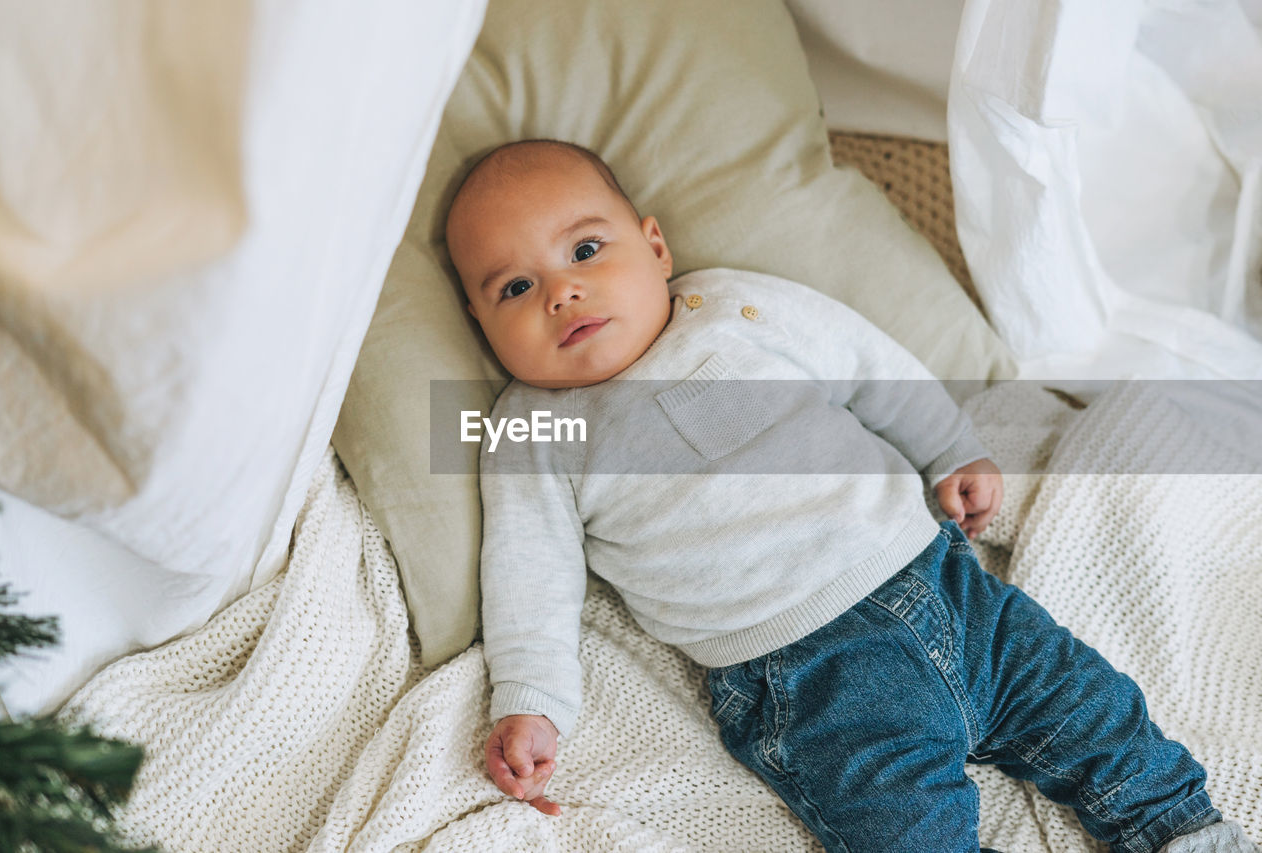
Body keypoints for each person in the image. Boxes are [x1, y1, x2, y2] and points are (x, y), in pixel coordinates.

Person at [443, 138, 1257, 852]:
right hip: (808, 676)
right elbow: (527, 572)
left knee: (1088, 703)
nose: (561, 292)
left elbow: (870, 365)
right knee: (899, 823)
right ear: (480, 325)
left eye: (585, 249)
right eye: (514, 288)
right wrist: (532, 702)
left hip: (949, 586)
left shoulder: (734, 307)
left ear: (654, 246)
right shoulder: (532, 431)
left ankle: (1182, 830)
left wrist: (949, 446)